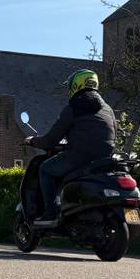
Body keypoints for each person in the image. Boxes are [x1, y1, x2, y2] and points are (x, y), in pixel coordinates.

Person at [26, 69, 118, 224]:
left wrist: (33, 141)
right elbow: (114, 133)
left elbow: (50, 140)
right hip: (104, 159)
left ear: (75, 85)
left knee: (45, 169)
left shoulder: (74, 107)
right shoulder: (108, 109)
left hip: (79, 156)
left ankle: (50, 212)